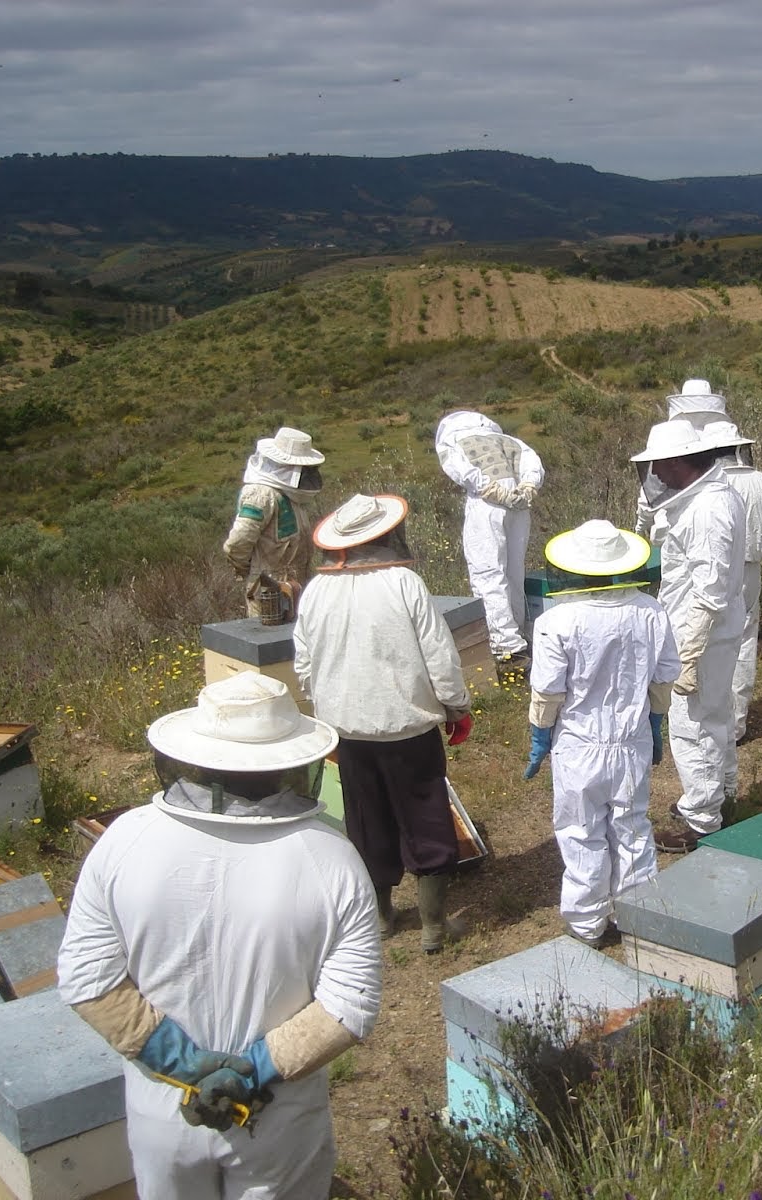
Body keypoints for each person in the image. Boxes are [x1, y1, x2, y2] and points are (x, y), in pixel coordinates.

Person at [57, 670, 383, 1198]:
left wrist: (185, 1067)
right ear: (295, 762)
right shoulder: (333, 860)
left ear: (193, 756)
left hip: (164, 1110)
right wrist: (246, 1075)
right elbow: (351, 1004)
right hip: (278, 1118)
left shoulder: (123, 842)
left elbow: (87, 982)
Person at [292, 493, 474, 954]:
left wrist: (326, 710)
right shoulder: (404, 583)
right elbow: (439, 655)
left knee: (366, 819)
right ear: (387, 535)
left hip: (346, 731)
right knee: (425, 817)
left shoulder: (316, 591)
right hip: (407, 728)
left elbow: (304, 664)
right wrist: (456, 706)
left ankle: (381, 918)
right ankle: (433, 927)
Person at [523, 519, 682, 947]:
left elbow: (548, 690)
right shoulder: (651, 611)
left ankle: (587, 923)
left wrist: (540, 735)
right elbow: (665, 675)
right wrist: (655, 720)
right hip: (632, 741)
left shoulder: (557, 619)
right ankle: (640, 919)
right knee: (632, 827)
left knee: (581, 831)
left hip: (578, 746)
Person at [630, 420, 746, 853]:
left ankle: (701, 820)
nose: (656, 473)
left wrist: (689, 655)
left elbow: (710, 593)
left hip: (703, 632)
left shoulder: (708, 508)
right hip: (710, 628)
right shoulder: (707, 498)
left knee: (692, 723)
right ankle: (722, 794)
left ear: (679, 461)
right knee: (715, 714)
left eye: (660, 463)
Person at [433, 410, 544, 677]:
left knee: (488, 575)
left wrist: (491, 489)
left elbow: (460, 469)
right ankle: (519, 635)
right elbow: (533, 464)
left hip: (486, 505)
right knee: (513, 573)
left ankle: (507, 649)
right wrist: (527, 487)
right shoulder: (510, 441)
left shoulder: (455, 442)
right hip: (519, 506)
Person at [701, 420, 762, 743]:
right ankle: (735, 725)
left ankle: (710, 722)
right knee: (743, 642)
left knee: (709, 642)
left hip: (711, 571)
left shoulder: (707, 484)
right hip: (750, 571)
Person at [223, 426, 326, 619]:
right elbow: (237, 544)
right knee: (270, 643)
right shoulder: (260, 494)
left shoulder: (292, 496)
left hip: (298, 585)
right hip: (269, 590)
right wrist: (254, 573)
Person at [635, 378, 730, 543]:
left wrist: (639, 530)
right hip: (713, 526)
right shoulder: (722, 441)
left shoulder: (673, 443)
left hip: (683, 527)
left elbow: (647, 499)